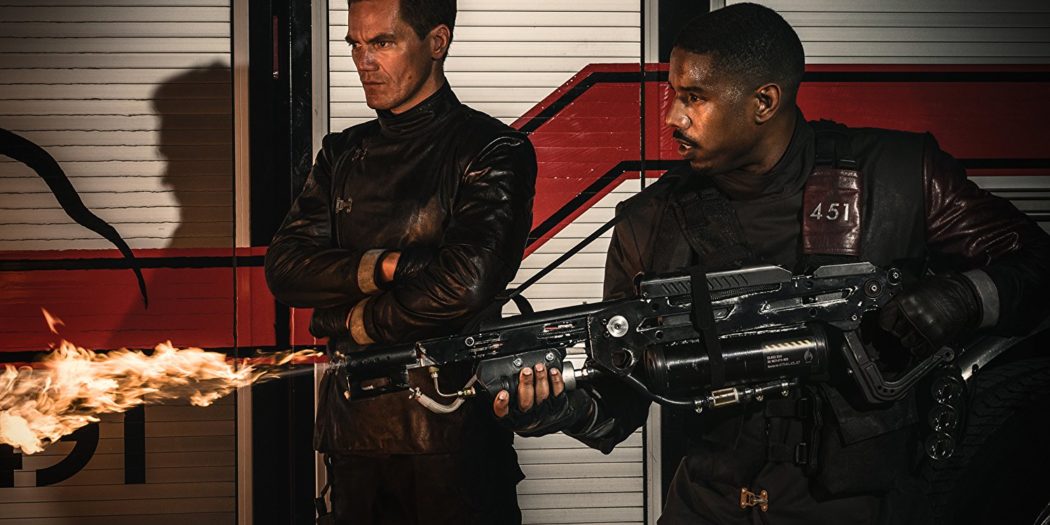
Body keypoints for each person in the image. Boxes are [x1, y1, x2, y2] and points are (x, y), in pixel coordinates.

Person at [494, 3, 1050, 524]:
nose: (672, 117)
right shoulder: (650, 220)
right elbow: (623, 400)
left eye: (694, 97)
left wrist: (967, 297)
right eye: (673, 95)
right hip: (706, 509)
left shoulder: (902, 176)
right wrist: (555, 408)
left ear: (763, 102)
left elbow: (1039, 264)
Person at [264, 0, 536, 523]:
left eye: (382, 43)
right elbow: (286, 269)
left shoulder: (493, 149)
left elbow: (465, 283)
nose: (364, 61)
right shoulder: (341, 154)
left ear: (437, 42)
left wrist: (351, 321)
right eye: (355, 45)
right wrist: (392, 265)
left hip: (454, 437)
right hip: (351, 437)